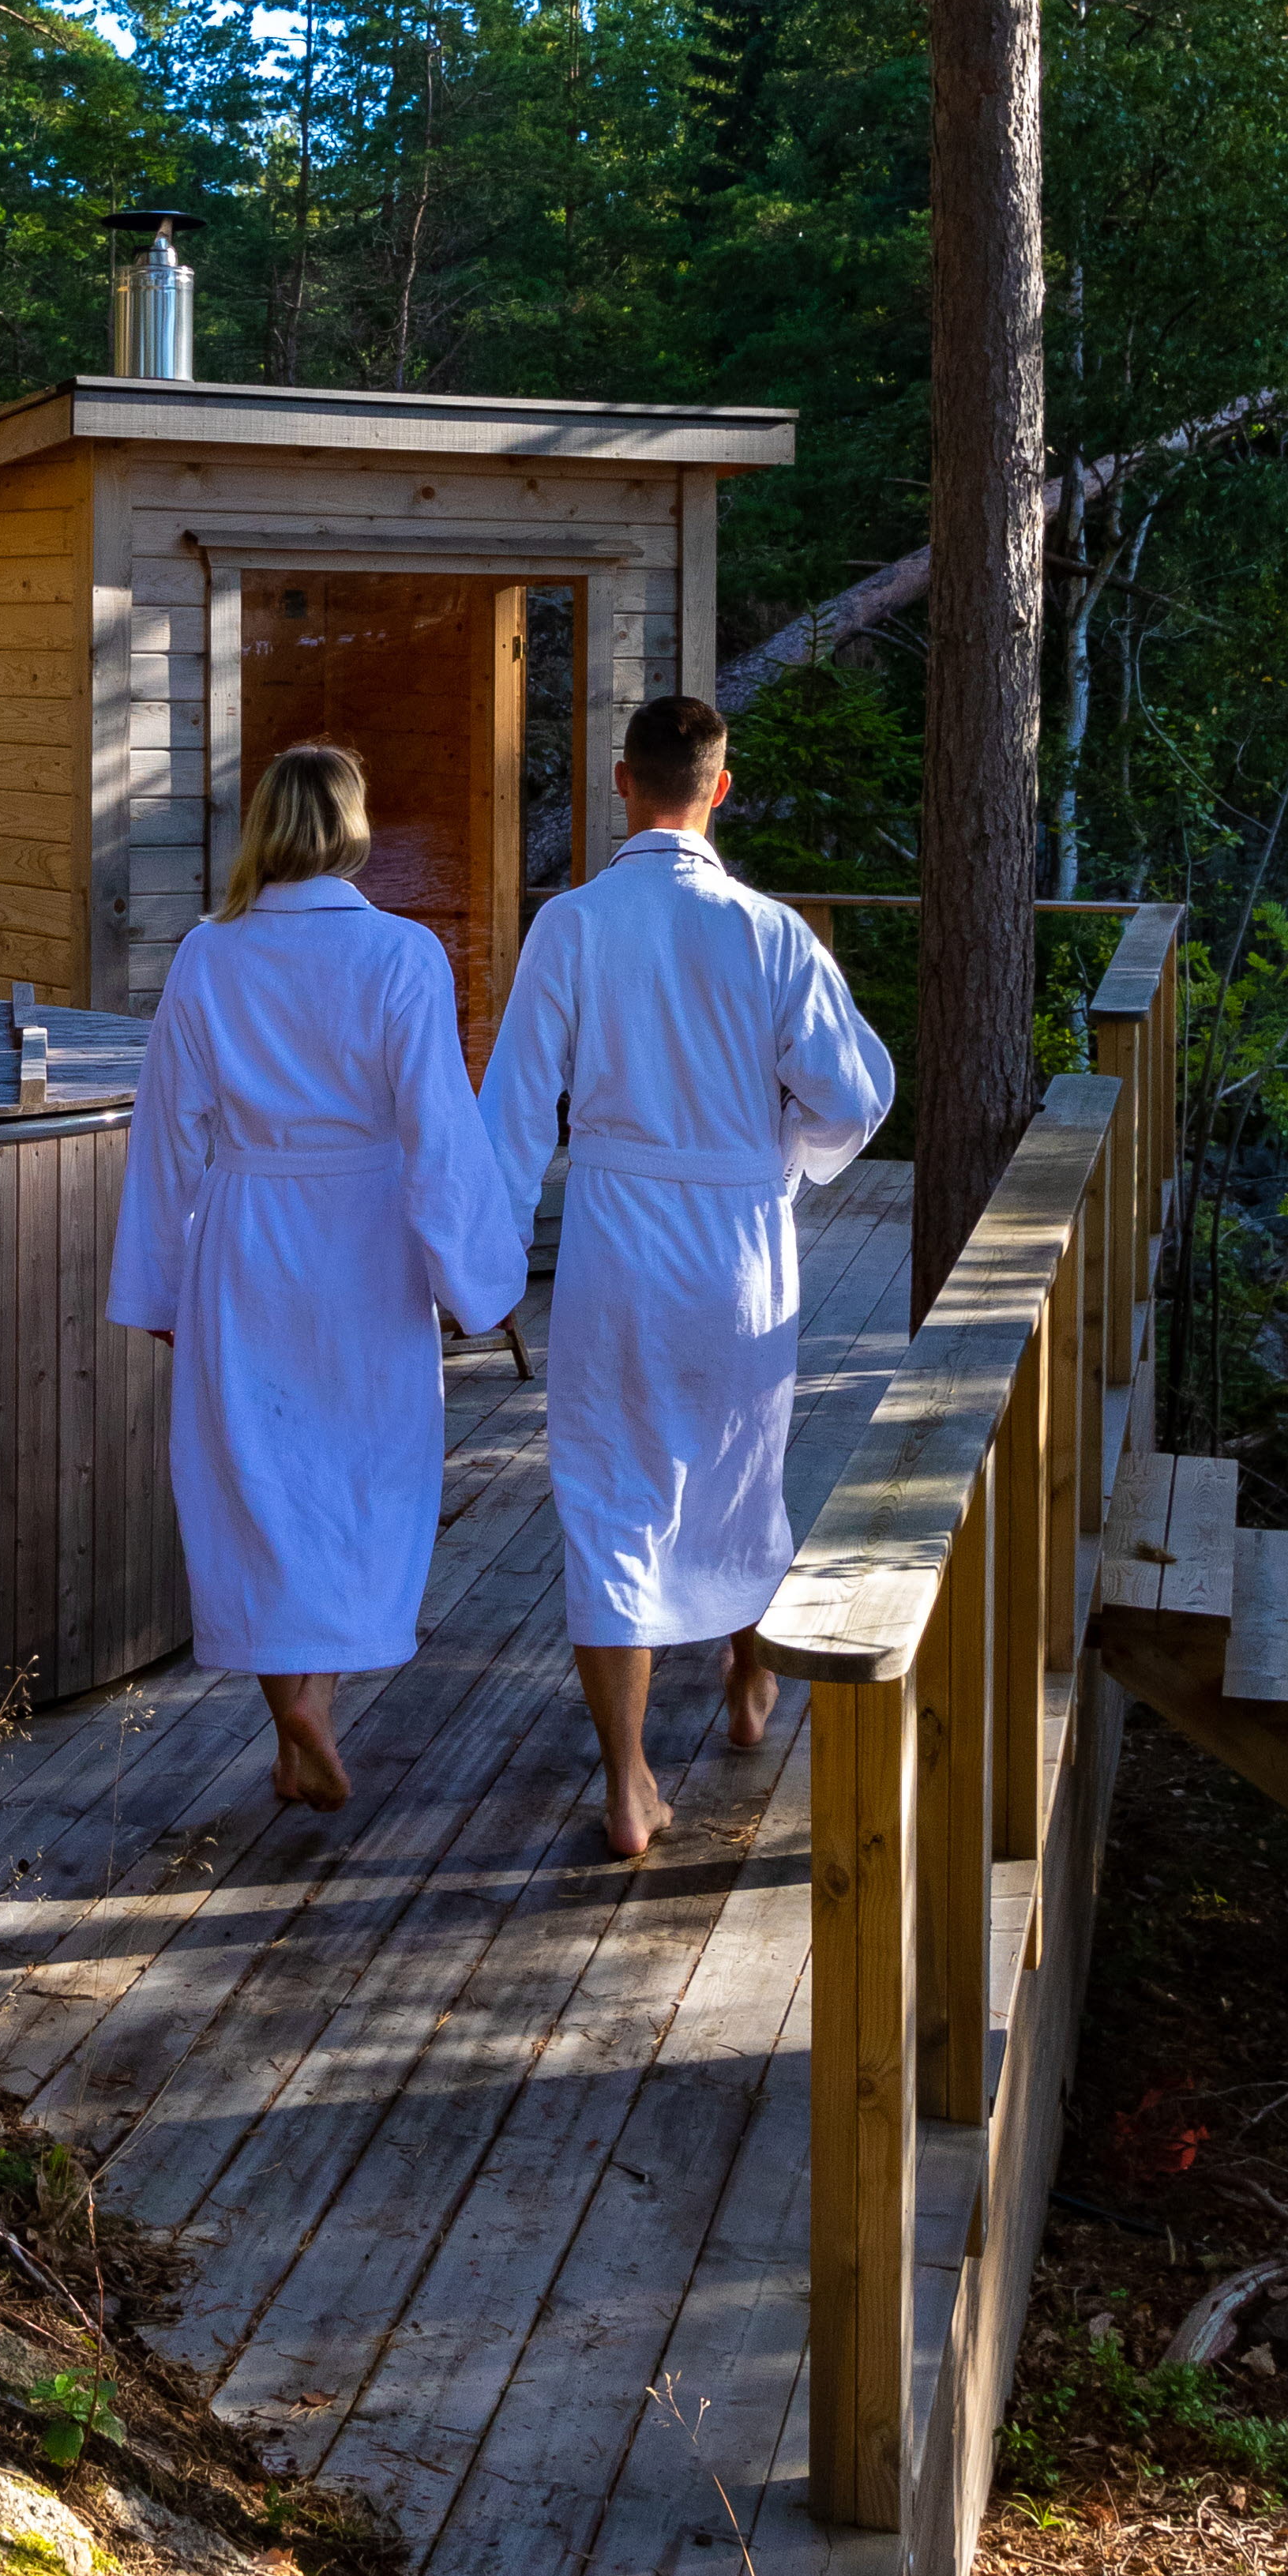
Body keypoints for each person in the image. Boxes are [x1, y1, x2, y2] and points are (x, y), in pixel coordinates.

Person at [480, 694, 894, 1857]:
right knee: (740, 1470)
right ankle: (749, 1676)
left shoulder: (571, 924)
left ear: (622, 784)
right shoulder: (770, 933)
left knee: (611, 1496)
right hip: (739, 1244)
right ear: (720, 787)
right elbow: (857, 1094)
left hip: (616, 1235)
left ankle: (627, 1782)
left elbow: (514, 1111)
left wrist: (485, 1263)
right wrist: (790, 1159)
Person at [107, 743, 525, 1811]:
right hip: (364, 1243)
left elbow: (168, 1134)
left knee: (256, 1471)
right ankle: (314, 1715)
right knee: (357, 1471)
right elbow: (438, 1128)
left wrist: (157, 1285)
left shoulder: (210, 954)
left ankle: (296, 1720)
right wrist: (475, 1276)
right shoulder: (402, 954)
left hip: (243, 1233)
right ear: (352, 826)